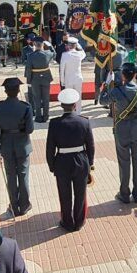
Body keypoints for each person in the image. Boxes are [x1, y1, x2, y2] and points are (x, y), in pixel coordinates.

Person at [101, 63, 137, 203]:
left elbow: (102, 100)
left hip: (122, 129)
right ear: (135, 75)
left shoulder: (117, 91)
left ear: (123, 75)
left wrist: (106, 85)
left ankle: (124, 193)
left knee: (124, 163)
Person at [47, 89, 95, 231]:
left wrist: (52, 165)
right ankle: (79, 221)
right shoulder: (84, 122)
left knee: (64, 194)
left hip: (61, 161)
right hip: (81, 161)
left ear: (62, 105)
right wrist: (90, 164)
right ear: (75, 105)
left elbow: (50, 147)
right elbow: (90, 145)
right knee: (80, 193)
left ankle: (67, 221)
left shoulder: (54, 123)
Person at [0, 78, 34, 217]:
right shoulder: (25, 106)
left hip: (6, 144)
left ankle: (14, 206)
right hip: (22, 144)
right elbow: (30, 130)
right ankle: (24, 205)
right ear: (18, 90)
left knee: (11, 176)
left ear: (5, 91)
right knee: (23, 175)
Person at [24, 40, 53, 122]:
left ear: (35, 45)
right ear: (42, 45)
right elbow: (54, 53)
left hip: (35, 79)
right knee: (46, 98)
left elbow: (28, 70)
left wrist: (28, 81)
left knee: (36, 98)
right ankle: (46, 116)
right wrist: (50, 45)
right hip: (46, 78)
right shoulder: (47, 53)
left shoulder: (30, 56)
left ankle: (38, 117)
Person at [58, 37, 86, 114]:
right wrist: (78, 45)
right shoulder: (80, 54)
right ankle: (78, 113)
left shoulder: (64, 55)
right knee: (78, 96)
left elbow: (62, 69)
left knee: (69, 96)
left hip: (68, 79)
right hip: (78, 78)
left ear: (68, 46)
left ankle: (70, 112)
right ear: (75, 45)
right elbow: (83, 52)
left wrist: (62, 81)